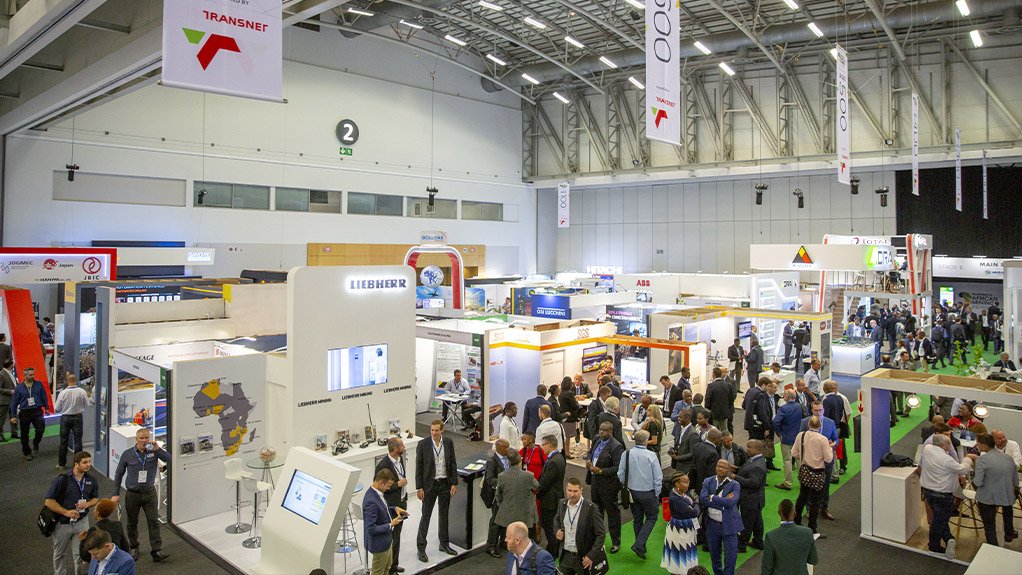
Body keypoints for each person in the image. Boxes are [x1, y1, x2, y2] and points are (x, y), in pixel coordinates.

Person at [111, 428, 170, 562]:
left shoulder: (154, 452)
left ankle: (156, 550)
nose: (144, 440)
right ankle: (134, 547)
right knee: (132, 523)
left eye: (146, 438)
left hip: (149, 493)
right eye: (141, 438)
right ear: (136, 440)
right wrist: (115, 493)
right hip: (133, 494)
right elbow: (119, 473)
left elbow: (169, 459)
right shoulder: (128, 454)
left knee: (153, 521)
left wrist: (158, 450)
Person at [920, 434, 975, 556]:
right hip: (943, 495)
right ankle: (934, 546)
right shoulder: (946, 459)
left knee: (939, 519)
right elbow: (963, 469)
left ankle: (949, 538)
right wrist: (968, 458)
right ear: (943, 445)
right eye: (948, 443)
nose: (950, 446)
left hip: (928, 492)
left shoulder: (928, 449)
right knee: (939, 521)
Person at [46, 450, 100, 575]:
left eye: (89, 462)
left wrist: (87, 504)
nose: (88, 465)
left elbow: (95, 499)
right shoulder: (61, 480)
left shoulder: (91, 480)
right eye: (85, 462)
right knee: (59, 554)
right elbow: (49, 502)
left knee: (81, 554)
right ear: (76, 464)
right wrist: (66, 512)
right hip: (62, 524)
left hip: (82, 522)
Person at [415, 420, 458, 562]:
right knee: (426, 516)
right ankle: (421, 548)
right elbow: (419, 467)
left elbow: (452, 463)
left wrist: (454, 482)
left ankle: (444, 544)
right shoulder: (423, 444)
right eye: (432, 430)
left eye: (436, 430)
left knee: (444, 515)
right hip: (430, 485)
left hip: (445, 483)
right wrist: (419, 487)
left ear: (442, 430)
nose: (434, 433)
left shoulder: (448, 442)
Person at [618, 429, 662, 560]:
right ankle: (639, 544)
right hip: (649, 493)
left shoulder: (626, 454)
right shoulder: (651, 456)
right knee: (652, 518)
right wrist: (657, 493)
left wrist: (627, 486)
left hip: (632, 493)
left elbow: (620, 473)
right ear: (646, 441)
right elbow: (658, 478)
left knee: (637, 519)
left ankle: (640, 546)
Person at [971, 433, 1020, 546]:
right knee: (1007, 512)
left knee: (989, 525)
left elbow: (978, 482)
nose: (977, 446)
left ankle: (993, 546)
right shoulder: (1008, 458)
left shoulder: (982, 460)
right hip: (1006, 495)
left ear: (984, 446)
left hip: (987, 497)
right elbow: (1015, 480)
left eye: (978, 444)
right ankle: (1009, 532)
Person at [554, 478, 606, 575]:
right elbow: (557, 519)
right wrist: (557, 530)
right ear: (566, 490)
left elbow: (601, 534)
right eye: (569, 490)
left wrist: (591, 555)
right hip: (565, 556)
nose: (572, 494)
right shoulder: (562, 504)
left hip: (583, 558)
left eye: (575, 491)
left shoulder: (591, 508)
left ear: (581, 490)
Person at [791, 416, 833, 536]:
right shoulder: (823, 439)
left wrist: (804, 457)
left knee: (802, 497)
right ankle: (812, 528)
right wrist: (830, 448)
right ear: (820, 426)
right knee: (816, 502)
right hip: (818, 473)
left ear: (808, 424)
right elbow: (828, 459)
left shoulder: (801, 435)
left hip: (805, 470)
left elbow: (793, 453)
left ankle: (797, 521)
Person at [586, 421, 624, 553]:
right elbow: (590, 452)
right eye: (600, 429)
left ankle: (616, 542)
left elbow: (618, 468)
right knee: (597, 513)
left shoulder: (616, 446)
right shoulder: (597, 439)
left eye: (605, 430)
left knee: (612, 514)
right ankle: (598, 540)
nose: (601, 432)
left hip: (609, 485)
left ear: (611, 432)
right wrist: (588, 460)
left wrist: (601, 471)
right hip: (595, 483)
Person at [700, 459, 742, 575]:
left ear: (729, 471)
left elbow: (731, 502)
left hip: (730, 524)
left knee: (731, 557)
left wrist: (712, 497)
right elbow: (703, 499)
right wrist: (723, 504)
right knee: (714, 555)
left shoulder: (735, 484)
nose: (720, 469)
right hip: (712, 524)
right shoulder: (708, 481)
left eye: (723, 467)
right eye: (719, 466)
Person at [492, 452, 538, 558]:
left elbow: (498, 495)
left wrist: (504, 505)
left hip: (508, 515)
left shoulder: (502, 476)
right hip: (525, 515)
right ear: (520, 461)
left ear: (508, 462)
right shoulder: (528, 476)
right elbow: (536, 486)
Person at [375, 437, 409, 574]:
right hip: (391, 506)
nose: (404, 447)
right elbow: (379, 487)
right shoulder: (383, 465)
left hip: (401, 502)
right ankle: (390, 569)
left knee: (397, 537)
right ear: (395, 449)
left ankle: (394, 565)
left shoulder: (400, 460)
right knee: (391, 538)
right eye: (402, 446)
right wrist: (397, 485)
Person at [364, 468, 406, 575]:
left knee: (387, 567)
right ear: (381, 483)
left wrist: (395, 508)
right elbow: (371, 529)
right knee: (378, 572)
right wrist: (391, 524)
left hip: (387, 541)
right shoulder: (371, 501)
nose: (389, 489)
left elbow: (382, 510)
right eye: (387, 486)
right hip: (380, 546)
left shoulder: (378, 493)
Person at [800, 401, 838, 518]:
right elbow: (801, 440)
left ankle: (824, 509)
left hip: (826, 462)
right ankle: (809, 509)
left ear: (823, 410)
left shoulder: (830, 422)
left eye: (820, 410)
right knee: (809, 486)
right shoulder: (805, 422)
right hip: (810, 462)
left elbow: (836, 439)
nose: (818, 412)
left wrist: (832, 445)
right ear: (812, 410)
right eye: (816, 410)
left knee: (825, 487)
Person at [761, 499, 818, 575]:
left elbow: (766, 569)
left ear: (779, 513)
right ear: (794, 514)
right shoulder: (808, 533)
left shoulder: (771, 537)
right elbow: (813, 560)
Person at [733, 440, 767, 552]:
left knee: (746, 523)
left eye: (749, 447)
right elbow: (746, 471)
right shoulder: (754, 459)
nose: (747, 449)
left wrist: (735, 477)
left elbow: (753, 483)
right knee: (757, 522)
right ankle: (758, 541)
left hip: (751, 499)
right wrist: (736, 469)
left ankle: (741, 545)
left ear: (758, 449)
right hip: (755, 500)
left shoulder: (757, 465)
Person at [662, 473, 699, 574]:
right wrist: (696, 503)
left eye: (688, 482)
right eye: (685, 483)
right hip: (679, 531)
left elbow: (693, 503)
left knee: (686, 556)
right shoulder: (675, 499)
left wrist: (695, 503)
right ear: (677, 484)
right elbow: (694, 512)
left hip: (687, 529)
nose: (688, 485)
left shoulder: (682, 492)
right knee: (678, 558)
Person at [536, 433, 566, 555]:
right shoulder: (559, 457)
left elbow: (545, 482)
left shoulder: (553, 461)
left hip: (550, 500)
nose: (541, 447)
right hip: (554, 498)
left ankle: (553, 552)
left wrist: (536, 491)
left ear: (549, 445)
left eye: (543, 445)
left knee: (549, 528)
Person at [11, 366, 47, 460]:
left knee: (40, 430)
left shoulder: (39, 384)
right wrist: (13, 416)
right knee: (24, 434)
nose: (33, 376)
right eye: (30, 375)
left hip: (37, 411)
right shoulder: (19, 388)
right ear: (25, 376)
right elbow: (14, 403)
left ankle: (36, 443)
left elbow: (44, 396)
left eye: (33, 374)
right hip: (25, 412)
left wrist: (46, 407)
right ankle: (27, 452)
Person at [55, 373, 90, 469]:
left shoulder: (63, 393)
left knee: (63, 441)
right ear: (75, 380)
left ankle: (61, 464)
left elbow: (57, 408)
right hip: (77, 417)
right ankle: (78, 464)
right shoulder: (81, 391)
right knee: (78, 441)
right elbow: (87, 404)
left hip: (65, 418)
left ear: (67, 381)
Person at [80, 499, 131, 564]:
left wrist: (82, 540)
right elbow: (125, 547)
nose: (93, 511)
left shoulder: (93, 530)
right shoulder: (117, 525)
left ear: (97, 513)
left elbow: (85, 556)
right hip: (116, 562)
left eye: (94, 509)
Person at [772, 389, 802, 490]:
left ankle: (788, 482)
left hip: (786, 437)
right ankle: (803, 481)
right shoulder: (799, 406)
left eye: (784, 394)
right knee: (799, 459)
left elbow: (775, 422)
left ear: (787, 396)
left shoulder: (783, 408)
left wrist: (779, 433)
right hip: (797, 437)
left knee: (787, 460)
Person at [705, 367, 736, 433]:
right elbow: (731, 399)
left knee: (714, 431)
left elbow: (707, 400)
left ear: (713, 374)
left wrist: (709, 410)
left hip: (714, 413)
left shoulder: (711, 386)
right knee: (724, 430)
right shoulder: (728, 385)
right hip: (725, 412)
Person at [670, 409, 698, 478]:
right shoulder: (682, 429)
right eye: (678, 417)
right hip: (679, 465)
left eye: (681, 417)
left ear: (687, 418)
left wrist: (677, 458)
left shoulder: (693, 433)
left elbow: (693, 453)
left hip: (686, 467)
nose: (678, 419)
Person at [0, 358, 16, 442]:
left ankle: (14, 432)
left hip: (12, 400)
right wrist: (10, 391)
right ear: (10, 365)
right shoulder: (2, 374)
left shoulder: (9, 373)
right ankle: (0, 435)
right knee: (1, 419)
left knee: (14, 416)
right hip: (4, 400)